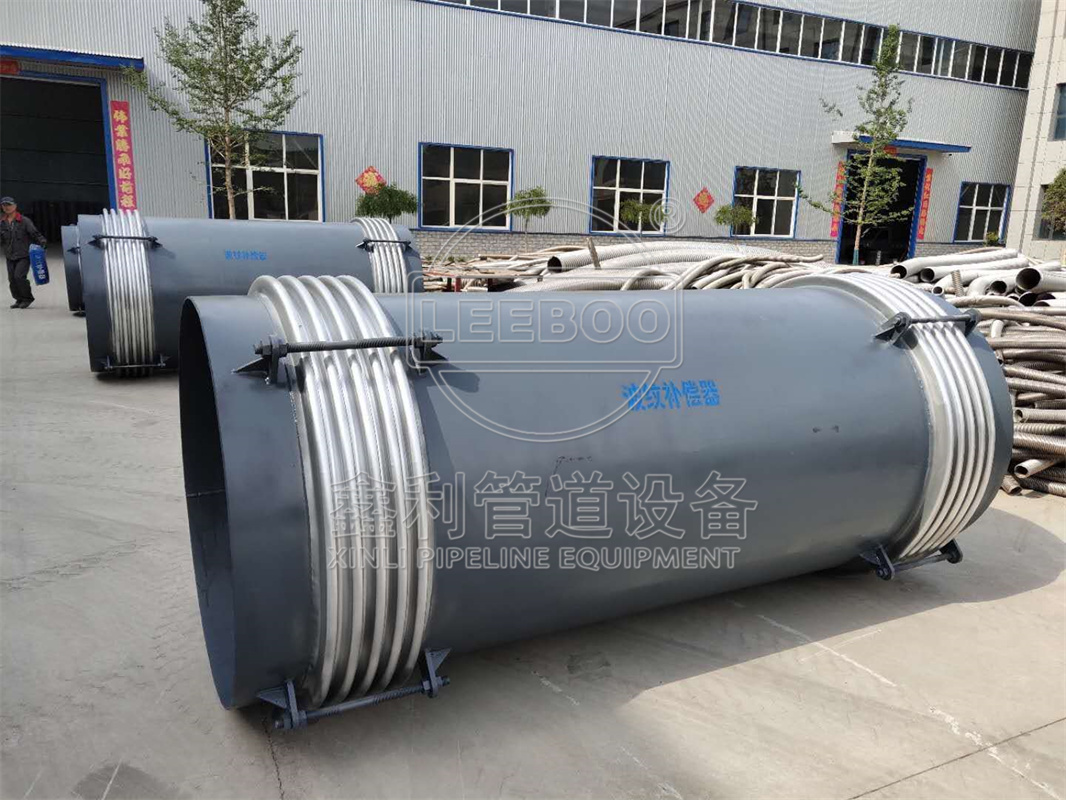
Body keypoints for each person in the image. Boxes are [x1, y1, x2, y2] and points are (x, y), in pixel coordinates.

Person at [1, 197, 47, 309]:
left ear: (15, 206)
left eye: (9, 204)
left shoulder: (24, 221)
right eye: (4, 205)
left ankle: (27, 298)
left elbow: (35, 233)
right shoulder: (2, 222)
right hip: (10, 255)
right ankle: (19, 299)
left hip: (24, 255)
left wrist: (42, 242)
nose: (6, 207)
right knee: (12, 279)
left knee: (19, 277)